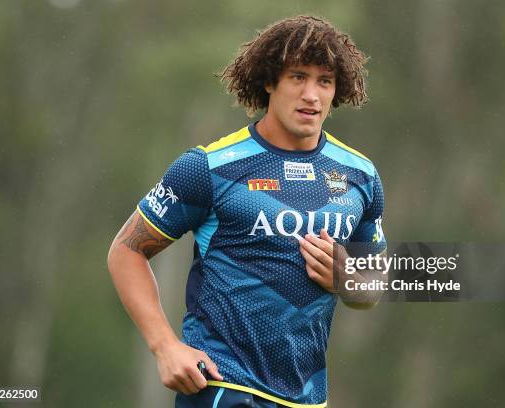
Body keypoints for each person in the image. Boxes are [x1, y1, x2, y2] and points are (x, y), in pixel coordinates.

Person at [107, 15, 386, 408]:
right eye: (298, 77)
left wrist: (348, 276)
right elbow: (126, 250)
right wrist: (165, 346)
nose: (312, 94)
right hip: (225, 389)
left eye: (324, 81)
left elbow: (371, 288)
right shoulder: (208, 167)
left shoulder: (361, 176)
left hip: (309, 399)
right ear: (269, 80)